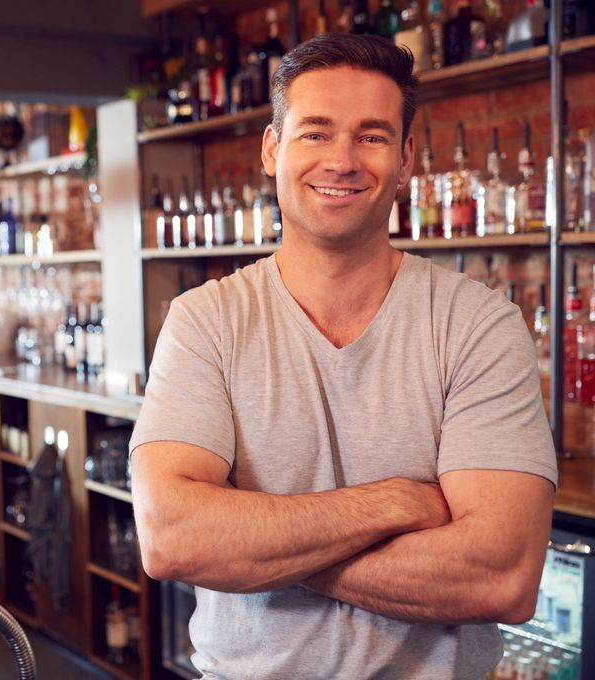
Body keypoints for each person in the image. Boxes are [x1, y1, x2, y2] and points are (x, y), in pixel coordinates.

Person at [129, 33, 557, 679]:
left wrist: (259, 547)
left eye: (373, 136)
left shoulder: (479, 325)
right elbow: (172, 538)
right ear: (273, 150)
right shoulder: (205, 321)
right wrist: (396, 503)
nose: (343, 160)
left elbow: (502, 576)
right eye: (316, 133)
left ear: (406, 157)